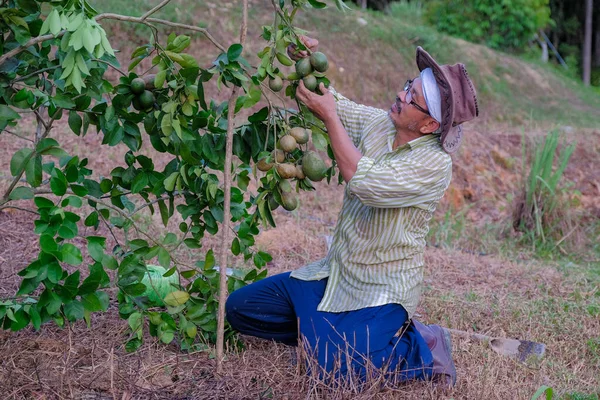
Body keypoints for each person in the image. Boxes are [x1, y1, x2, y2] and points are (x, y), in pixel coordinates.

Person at [226, 36, 479, 388]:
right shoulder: (382, 123)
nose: (401, 95)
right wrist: (305, 59)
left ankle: (419, 348)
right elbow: (331, 102)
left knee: (333, 375)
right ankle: (329, 339)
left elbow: (361, 181)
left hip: (382, 290)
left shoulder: (434, 165)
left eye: (412, 98)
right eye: (408, 86)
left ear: (428, 125)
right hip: (337, 275)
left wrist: (330, 117)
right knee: (240, 309)